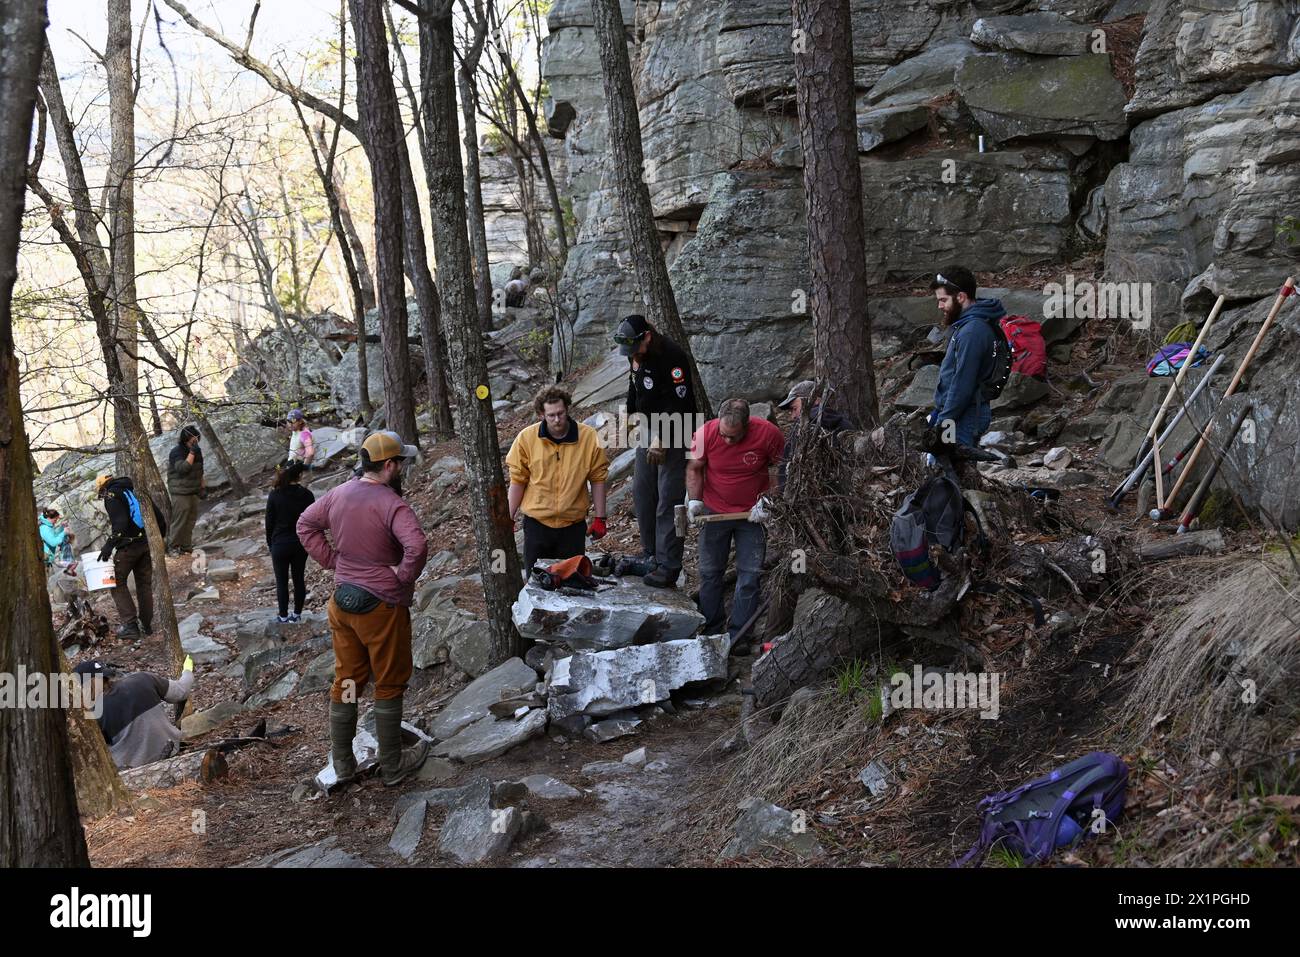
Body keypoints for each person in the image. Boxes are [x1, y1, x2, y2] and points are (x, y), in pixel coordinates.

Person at [297, 431, 430, 788]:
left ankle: (343, 764)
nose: (402, 467)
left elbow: (305, 524)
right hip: (381, 608)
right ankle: (392, 767)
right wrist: (401, 577)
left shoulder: (339, 493)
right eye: (400, 462)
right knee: (388, 681)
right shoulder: (391, 504)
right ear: (389, 466)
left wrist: (332, 562)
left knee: (348, 680)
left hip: (342, 604)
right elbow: (416, 545)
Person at [686, 399, 784, 650]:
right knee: (709, 573)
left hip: (752, 515)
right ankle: (712, 630)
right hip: (714, 510)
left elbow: (779, 467)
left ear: (746, 426)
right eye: (724, 435)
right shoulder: (705, 434)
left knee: (750, 575)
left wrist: (768, 501)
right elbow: (695, 468)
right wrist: (695, 500)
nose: (728, 441)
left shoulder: (767, 434)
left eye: (734, 437)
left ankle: (740, 636)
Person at [616, 313, 697, 588]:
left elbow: (681, 403)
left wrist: (663, 438)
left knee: (668, 500)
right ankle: (650, 553)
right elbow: (634, 385)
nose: (632, 354)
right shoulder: (635, 354)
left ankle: (669, 564)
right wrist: (629, 415)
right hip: (648, 429)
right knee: (643, 493)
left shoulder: (672, 356)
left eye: (635, 348)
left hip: (676, 428)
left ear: (647, 336)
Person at [506, 385, 609, 574]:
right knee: (536, 583)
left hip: (572, 526)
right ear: (541, 414)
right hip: (537, 524)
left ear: (567, 409)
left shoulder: (588, 438)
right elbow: (518, 480)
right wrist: (508, 517)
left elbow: (598, 478)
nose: (557, 419)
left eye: (561, 413)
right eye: (551, 415)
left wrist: (600, 517)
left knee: (571, 582)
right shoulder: (526, 439)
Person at [928, 266, 1004, 449]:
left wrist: (944, 422)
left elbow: (963, 382)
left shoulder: (972, 332)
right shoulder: (968, 325)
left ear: (960, 297)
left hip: (964, 416)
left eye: (943, 300)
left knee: (952, 472)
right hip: (958, 414)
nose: (940, 306)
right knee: (946, 468)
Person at [75, 657, 194, 770]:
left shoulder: (91, 714)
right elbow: (181, 691)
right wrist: (187, 670)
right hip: (174, 751)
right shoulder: (143, 678)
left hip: (134, 772)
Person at [96, 474, 167, 639]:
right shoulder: (134, 489)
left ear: (103, 488)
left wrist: (108, 547)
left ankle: (130, 625)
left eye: (101, 494)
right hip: (146, 544)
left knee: (116, 582)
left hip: (128, 547)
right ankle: (146, 625)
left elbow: (120, 525)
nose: (102, 497)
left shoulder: (111, 495)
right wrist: (159, 537)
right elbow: (159, 516)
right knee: (144, 584)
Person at [775, 379, 855, 489]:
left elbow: (787, 468)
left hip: (807, 494)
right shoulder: (845, 424)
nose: (792, 416)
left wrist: (782, 492)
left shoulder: (801, 428)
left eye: (794, 408)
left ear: (815, 400)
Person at [267, 460, 316, 623]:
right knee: (298, 579)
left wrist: (270, 544)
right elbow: (313, 521)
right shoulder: (307, 495)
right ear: (300, 475)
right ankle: (296, 614)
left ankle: (282, 615)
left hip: (279, 543)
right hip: (300, 544)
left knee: (281, 581)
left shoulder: (275, 495)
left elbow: (269, 522)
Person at [166, 424, 204, 554]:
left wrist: (202, 487)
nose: (195, 442)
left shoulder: (197, 451)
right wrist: (192, 452)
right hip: (180, 492)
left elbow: (200, 471)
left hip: (193, 491)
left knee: (191, 521)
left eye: (197, 440)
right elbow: (183, 469)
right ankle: (173, 547)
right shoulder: (177, 452)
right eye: (193, 440)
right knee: (180, 521)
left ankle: (186, 547)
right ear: (186, 439)